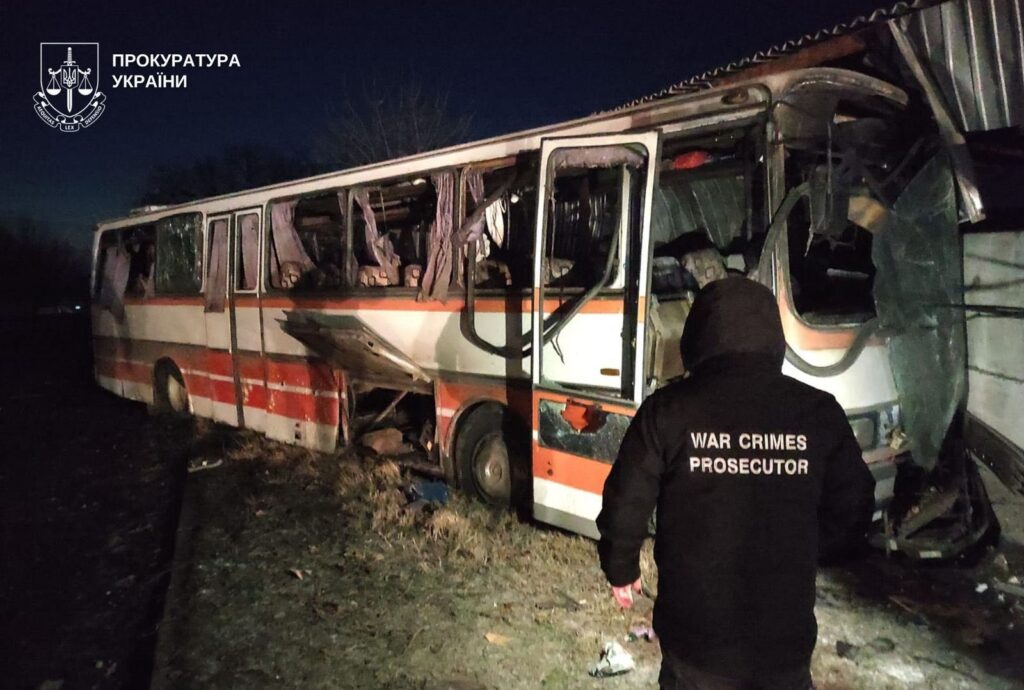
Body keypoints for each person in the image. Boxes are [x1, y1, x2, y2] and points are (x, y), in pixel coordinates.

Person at [597, 277, 875, 690]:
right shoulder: (818, 413)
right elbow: (855, 508)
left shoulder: (667, 411)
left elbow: (626, 501)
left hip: (694, 644)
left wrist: (621, 568)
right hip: (783, 643)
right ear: (773, 336)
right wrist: (803, 551)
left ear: (698, 335)